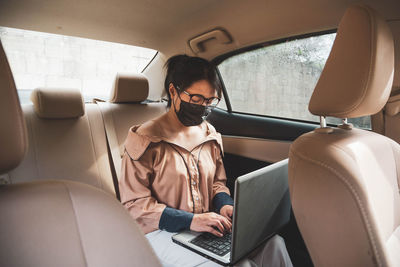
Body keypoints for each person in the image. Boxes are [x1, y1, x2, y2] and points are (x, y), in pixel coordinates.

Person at [119, 54, 293, 267]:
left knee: (275, 244)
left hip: (205, 224)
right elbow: (135, 206)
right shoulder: (145, 139)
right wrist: (190, 221)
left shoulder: (209, 133)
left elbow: (217, 183)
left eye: (210, 100)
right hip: (159, 231)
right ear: (173, 91)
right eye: (196, 99)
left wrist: (224, 205)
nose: (204, 106)